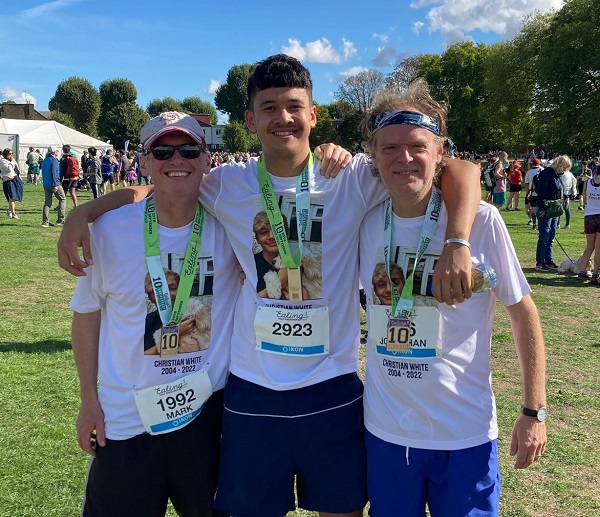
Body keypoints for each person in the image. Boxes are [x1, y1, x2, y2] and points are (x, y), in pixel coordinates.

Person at [58, 54, 482, 517]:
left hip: (332, 386)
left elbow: (458, 170)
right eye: (270, 107)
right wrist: (83, 213)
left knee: (341, 509)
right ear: (250, 119)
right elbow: (160, 187)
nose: (284, 117)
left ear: (313, 115)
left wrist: (458, 240)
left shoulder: (354, 177)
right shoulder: (226, 184)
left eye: (295, 106)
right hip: (252, 391)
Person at [358, 79, 547, 517]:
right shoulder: (364, 222)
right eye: (389, 148)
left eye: (418, 146)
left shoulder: (481, 220)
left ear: (441, 152)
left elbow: (523, 313)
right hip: (388, 433)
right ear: (373, 155)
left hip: (465, 434)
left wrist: (534, 410)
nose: (404, 158)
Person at [70, 112, 238, 516]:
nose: (176, 160)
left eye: (189, 150)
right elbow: (87, 313)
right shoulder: (109, 230)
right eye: (162, 151)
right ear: (144, 162)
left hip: (205, 418)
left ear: (206, 159)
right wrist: (88, 398)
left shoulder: (231, 223)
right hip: (126, 418)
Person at [535, 155, 571, 271]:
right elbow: (541, 191)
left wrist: (566, 197)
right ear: (560, 165)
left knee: (551, 234)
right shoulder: (547, 173)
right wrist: (542, 208)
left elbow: (559, 189)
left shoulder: (557, 175)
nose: (565, 171)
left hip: (555, 208)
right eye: (564, 167)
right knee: (544, 235)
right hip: (546, 207)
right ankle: (540, 262)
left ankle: (548, 259)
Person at [578, 170, 600, 283]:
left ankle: (582, 271)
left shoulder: (588, 182)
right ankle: (596, 273)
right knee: (598, 247)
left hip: (589, 216)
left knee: (589, 247)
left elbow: (585, 200)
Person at [40, 146, 66, 227]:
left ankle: (45, 222)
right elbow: (54, 173)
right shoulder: (54, 160)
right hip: (54, 183)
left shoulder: (45, 160)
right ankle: (60, 219)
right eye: (57, 151)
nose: (58, 152)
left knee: (47, 203)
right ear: (54, 152)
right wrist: (55, 184)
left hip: (46, 183)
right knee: (63, 199)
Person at [1, 148, 24, 219]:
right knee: (12, 197)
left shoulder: (12, 160)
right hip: (8, 180)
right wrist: (13, 161)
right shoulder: (3, 161)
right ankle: (13, 214)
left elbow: (17, 169)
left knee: (15, 197)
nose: (11, 155)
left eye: (12, 154)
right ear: (6, 154)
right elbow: (9, 169)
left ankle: (9, 211)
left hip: (16, 179)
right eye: (9, 154)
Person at [524, 157, 543, 230]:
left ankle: (534, 225)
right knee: (542, 209)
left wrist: (527, 193)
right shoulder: (542, 170)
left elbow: (526, 184)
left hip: (533, 193)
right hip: (542, 193)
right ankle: (541, 224)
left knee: (533, 209)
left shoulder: (529, 172)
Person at [560, 160, 577, 229]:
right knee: (566, 208)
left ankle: (559, 224)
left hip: (562, 192)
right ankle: (567, 224)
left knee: (560, 208)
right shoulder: (570, 174)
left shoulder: (562, 173)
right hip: (568, 192)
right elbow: (574, 181)